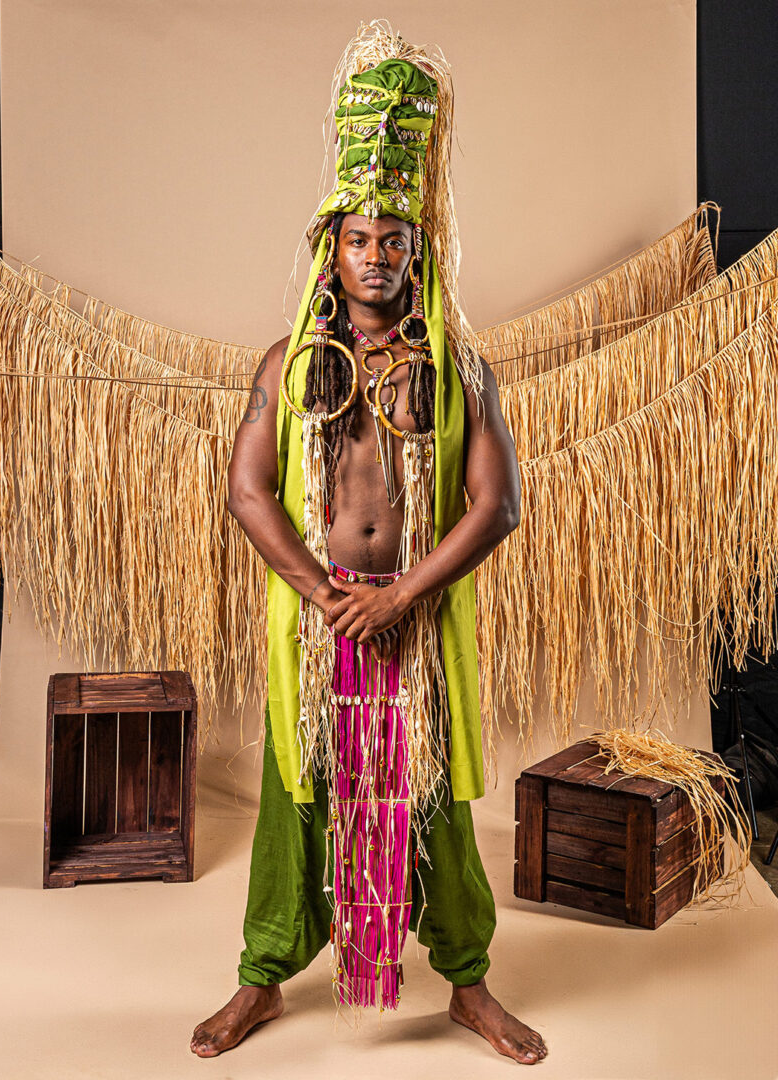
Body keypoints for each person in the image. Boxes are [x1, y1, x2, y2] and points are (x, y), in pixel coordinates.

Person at [191, 32, 548, 1066]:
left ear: (416, 253)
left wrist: (402, 599)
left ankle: (470, 985)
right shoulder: (287, 362)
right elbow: (247, 492)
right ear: (330, 252)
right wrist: (324, 595)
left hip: (415, 616)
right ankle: (262, 977)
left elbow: (496, 505)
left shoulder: (459, 367)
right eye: (360, 240)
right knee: (296, 799)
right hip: (320, 622)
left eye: (395, 240)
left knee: (434, 803)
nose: (378, 256)